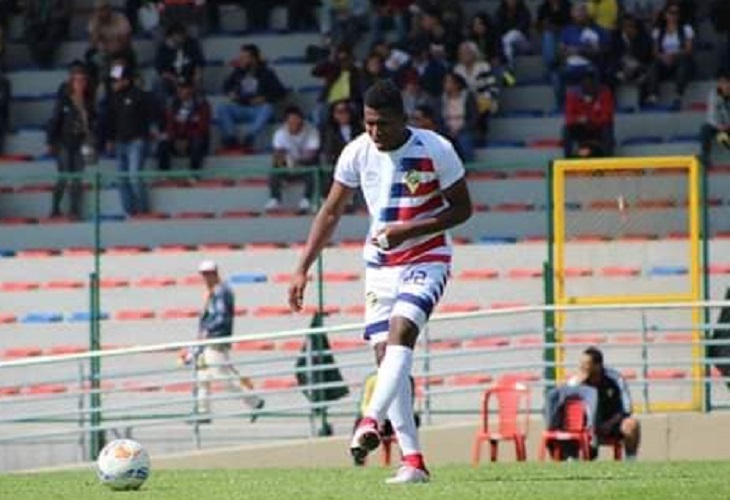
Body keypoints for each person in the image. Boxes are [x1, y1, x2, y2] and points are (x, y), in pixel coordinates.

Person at [288, 79, 472, 484]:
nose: (375, 132)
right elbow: (331, 212)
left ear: (403, 119)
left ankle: (369, 419)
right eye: (369, 123)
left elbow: (463, 209)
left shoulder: (435, 148)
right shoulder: (356, 152)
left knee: (401, 334)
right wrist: (303, 266)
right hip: (380, 267)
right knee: (384, 358)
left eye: (383, 124)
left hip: (428, 257)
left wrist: (410, 231)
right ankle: (413, 461)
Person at [186, 260, 265, 422]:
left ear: (215, 273)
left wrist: (207, 330)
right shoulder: (214, 292)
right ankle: (202, 412)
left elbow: (222, 318)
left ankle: (255, 402)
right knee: (202, 376)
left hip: (215, 339)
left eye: (208, 274)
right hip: (208, 340)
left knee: (220, 376)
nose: (206, 278)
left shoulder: (221, 292)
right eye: (204, 274)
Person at [573, 347, 640, 460]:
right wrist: (578, 385)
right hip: (587, 427)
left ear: (598, 365)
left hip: (612, 424)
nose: (582, 367)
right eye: (581, 363)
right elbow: (569, 409)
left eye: (586, 364)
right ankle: (572, 459)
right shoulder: (576, 381)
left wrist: (609, 423)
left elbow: (627, 409)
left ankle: (631, 461)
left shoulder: (615, 379)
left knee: (632, 424)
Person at [47, 66, 95, 220]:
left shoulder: (88, 102)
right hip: (64, 142)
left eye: (83, 80)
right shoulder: (64, 100)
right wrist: (50, 141)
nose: (80, 84)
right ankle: (55, 208)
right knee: (64, 176)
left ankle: (75, 210)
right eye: (77, 80)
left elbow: (92, 122)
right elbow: (55, 121)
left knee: (77, 178)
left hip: (80, 142)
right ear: (72, 82)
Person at [217, 44, 286, 150]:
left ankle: (250, 136)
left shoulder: (266, 73)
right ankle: (231, 137)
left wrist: (265, 98)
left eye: (244, 57)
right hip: (241, 107)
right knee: (222, 108)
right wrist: (230, 93)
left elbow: (281, 92)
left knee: (268, 108)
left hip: (258, 109)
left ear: (253, 59)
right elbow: (225, 86)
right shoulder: (238, 72)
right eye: (241, 57)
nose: (241, 60)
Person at [107, 64, 154, 217]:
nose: (113, 83)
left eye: (116, 80)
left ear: (126, 80)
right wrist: (110, 139)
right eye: (112, 81)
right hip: (120, 142)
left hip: (137, 141)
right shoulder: (112, 99)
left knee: (134, 177)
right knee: (122, 180)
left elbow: (153, 114)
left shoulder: (139, 95)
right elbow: (110, 121)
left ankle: (143, 211)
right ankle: (130, 212)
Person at [265, 106, 321, 213]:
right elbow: (277, 154)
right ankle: (275, 199)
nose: (294, 123)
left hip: (305, 165)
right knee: (275, 170)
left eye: (296, 120)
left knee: (314, 170)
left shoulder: (311, 131)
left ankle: (306, 199)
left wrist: (298, 162)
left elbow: (312, 154)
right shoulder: (280, 133)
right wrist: (284, 163)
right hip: (288, 165)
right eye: (291, 121)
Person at [553, 3, 603, 107]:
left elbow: (596, 52)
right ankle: (562, 107)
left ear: (586, 14)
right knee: (556, 77)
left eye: (583, 11)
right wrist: (568, 51)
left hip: (587, 66)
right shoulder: (566, 31)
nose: (580, 14)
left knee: (596, 72)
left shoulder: (593, 30)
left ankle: (594, 106)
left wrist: (578, 50)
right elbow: (560, 51)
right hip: (570, 66)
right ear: (572, 14)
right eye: (578, 11)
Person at [644, 4, 694, 106]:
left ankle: (678, 94)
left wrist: (673, 55)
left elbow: (688, 49)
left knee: (683, 61)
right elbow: (655, 52)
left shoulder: (686, 29)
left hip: (679, 58)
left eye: (676, 13)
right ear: (665, 15)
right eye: (670, 13)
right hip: (664, 60)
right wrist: (663, 57)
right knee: (653, 64)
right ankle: (653, 95)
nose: (673, 16)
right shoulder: (658, 31)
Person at [157, 77, 211, 172]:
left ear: (191, 89)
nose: (180, 91)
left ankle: (193, 174)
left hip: (194, 140)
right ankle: (164, 174)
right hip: (177, 139)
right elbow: (170, 125)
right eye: (179, 88)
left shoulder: (202, 104)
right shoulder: (173, 104)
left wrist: (187, 139)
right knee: (163, 144)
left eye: (184, 88)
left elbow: (202, 128)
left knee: (198, 143)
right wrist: (176, 139)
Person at [453, 40, 499, 140]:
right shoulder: (457, 69)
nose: (464, 55)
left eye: (467, 53)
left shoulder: (483, 67)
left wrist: (479, 100)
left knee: (482, 105)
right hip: (464, 102)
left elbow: (491, 88)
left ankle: (480, 135)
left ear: (474, 54)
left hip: (482, 100)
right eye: (462, 53)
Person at [563, 71, 614, 158]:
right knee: (567, 129)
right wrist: (578, 119)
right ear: (581, 85)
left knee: (607, 128)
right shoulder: (572, 95)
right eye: (586, 83)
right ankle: (568, 159)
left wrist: (589, 119)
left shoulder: (604, 93)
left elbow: (606, 116)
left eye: (592, 83)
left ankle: (607, 159)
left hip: (599, 127)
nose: (589, 86)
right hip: (581, 129)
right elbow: (569, 117)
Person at [311, 43, 363, 127]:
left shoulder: (356, 72)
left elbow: (360, 90)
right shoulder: (332, 68)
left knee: (356, 110)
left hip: (349, 101)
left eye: (346, 59)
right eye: (341, 59)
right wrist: (330, 59)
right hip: (329, 101)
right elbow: (315, 72)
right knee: (320, 112)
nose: (344, 61)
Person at [153, 23, 205, 105]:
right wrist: (174, 79)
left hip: (189, 78)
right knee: (157, 82)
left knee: (198, 79)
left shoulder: (191, 43)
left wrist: (197, 75)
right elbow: (161, 70)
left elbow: (198, 63)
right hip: (171, 80)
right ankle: (161, 109)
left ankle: (199, 106)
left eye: (183, 35)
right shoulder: (163, 48)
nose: (182, 38)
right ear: (172, 35)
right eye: (179, 35)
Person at [611, 13, 653, 101]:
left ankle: (644, 99)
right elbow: (613, 56)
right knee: (609, 71)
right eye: (626, 26)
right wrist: (624, 66)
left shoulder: (643, 38)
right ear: (622, 26)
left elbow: (646, 55)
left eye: (632, 26)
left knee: (649, 71)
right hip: (621, 67)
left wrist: (634, 40)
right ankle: (612, 99)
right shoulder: (615, 37)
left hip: (638, 67)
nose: (629, 28)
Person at [439, 72, 478, 162]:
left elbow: (474, 117)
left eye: (448, 82)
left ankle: (470, 168)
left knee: (465, 141)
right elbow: (439, 118)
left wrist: (461, 129)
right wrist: (448, 130)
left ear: (457, 84)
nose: (445, 84)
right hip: (446, 130)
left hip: (464, 129)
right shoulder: (441, 99)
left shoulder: (468, 97)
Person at [24, 0, 70, 68]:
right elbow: (27, 14)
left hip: (55, 22)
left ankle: (45, 61)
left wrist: (48, 17)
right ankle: (38, 60)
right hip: (38, 23)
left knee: (52, 32)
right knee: (29, 32)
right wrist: (36, 21)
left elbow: (65, 12)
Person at [700, 70, 730, 168]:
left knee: (723, 138)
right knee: (705, 128)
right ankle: (706, 157)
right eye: (720, 82)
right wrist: (719, 126)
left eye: (725, 82)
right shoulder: (714, 94)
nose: (723, 85)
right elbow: (711, 115)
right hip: (718, 127)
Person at [495, 0, 532, 72]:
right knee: (507, 46)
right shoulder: (500, 11)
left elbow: (522, 27)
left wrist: (509, 31)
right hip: (507, 45)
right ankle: (509, 71)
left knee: (513, 34)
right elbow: (497, 29)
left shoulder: (523, 10)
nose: (511, 1)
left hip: (523, 44)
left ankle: (508, 69)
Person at [537, 0, 572, 75]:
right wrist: (547, 26)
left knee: (561, 36)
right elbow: (539, 25)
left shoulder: (567, 5)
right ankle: (551, 64)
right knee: (548, 35)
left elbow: (569, 23)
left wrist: (557, 10)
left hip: (564, 32)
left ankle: (554, 66)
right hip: (549, 33)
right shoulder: (543, 7)